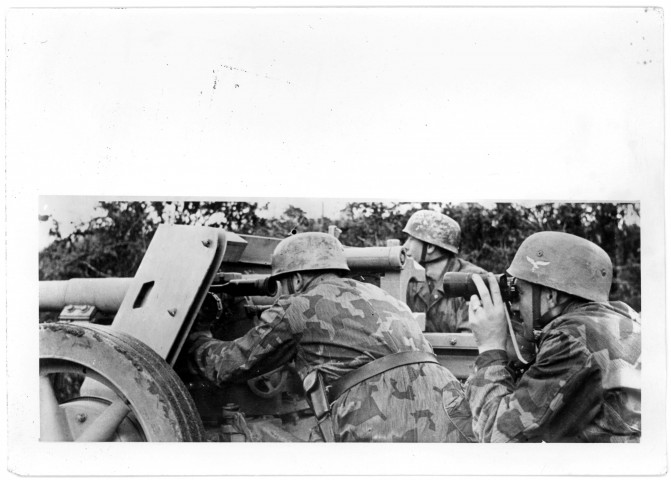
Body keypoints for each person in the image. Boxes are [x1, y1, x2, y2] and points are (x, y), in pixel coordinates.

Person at [188, 232, 474, 442]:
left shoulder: (299, 306)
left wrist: (199, 336)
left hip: (385, 420)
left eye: (281, 284)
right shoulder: (383, 296)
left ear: (297, 279)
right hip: (451, 410)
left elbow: (227, 366)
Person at [465, 231, 641, 442]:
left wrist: (490, 348)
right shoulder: (626, 322)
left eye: (518, 293)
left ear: (550, 296)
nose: (515, 306)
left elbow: (499, 437)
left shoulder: (571, 341)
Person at [403, 209, 487, 333]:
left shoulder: (471, 281)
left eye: (411, 239)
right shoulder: (409, 279)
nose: (405, 246)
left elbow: (470, 342)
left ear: (430, 247)